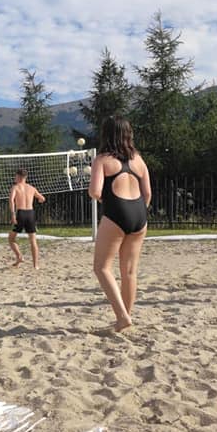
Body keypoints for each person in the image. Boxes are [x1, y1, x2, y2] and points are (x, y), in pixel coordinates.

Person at [88, 117, 151, 332]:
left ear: (106, 134)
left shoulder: (102, 160)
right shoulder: (139, 160)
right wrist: (137, 210)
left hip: (118, 211)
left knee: (102, 267)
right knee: (130, 271)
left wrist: (112, 205)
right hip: (140, 213)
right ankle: (125, 317)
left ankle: (122, 316)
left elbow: (95, 191)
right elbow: (148, 193)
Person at [8, 168, 46, 269]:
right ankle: (36, 265)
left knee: (11, 239)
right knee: (33, 240)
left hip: (20, 213)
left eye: (15, 176)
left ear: (19, 177)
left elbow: (11, 201)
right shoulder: (31, 188)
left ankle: (19, 256)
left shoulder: (15, 187)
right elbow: (42, 198)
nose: (14, 178)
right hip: (30, 214)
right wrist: (40, 200)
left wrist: (12, 214)